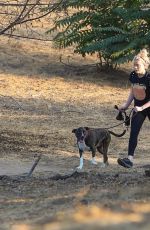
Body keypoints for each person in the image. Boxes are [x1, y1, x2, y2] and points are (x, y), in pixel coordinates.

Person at [117, 48, 150, 168]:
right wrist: (126, 105)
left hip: (147, 106)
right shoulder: (133, 75)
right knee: (134, 132)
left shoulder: (148, 77)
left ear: (145, 65)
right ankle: (129, 160)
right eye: (134, 65)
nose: (135, 68)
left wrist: (142, 108)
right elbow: (133, 90)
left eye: (137, 65)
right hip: (138, 108)